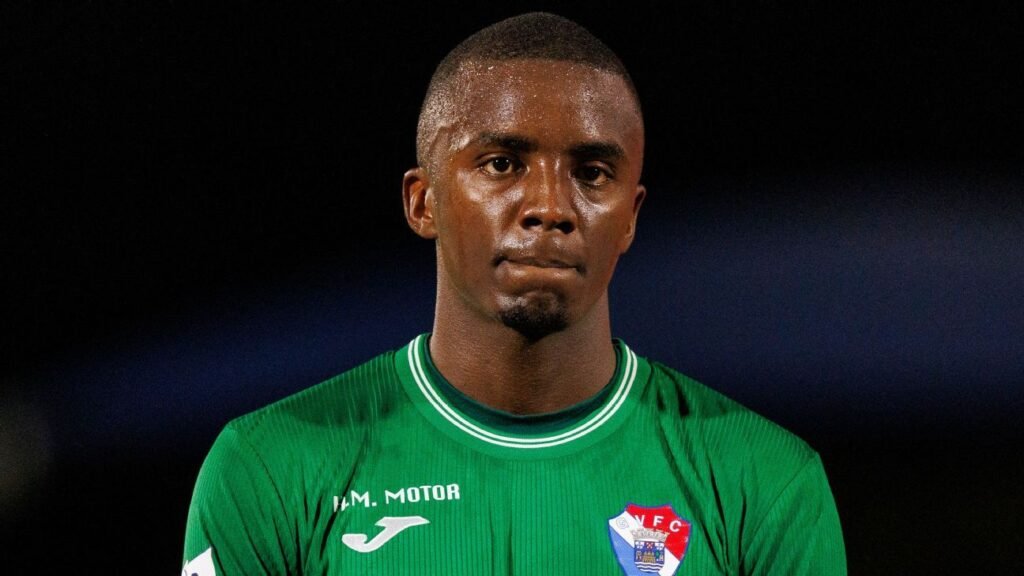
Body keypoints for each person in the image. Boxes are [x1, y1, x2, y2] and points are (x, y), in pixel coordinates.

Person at [182, 12, 846, 575]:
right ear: (423, 202)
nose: (550, 207)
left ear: (630, 218)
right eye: (502, 164)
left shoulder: (765, 483)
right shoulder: (269, 468)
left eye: (592, 173)